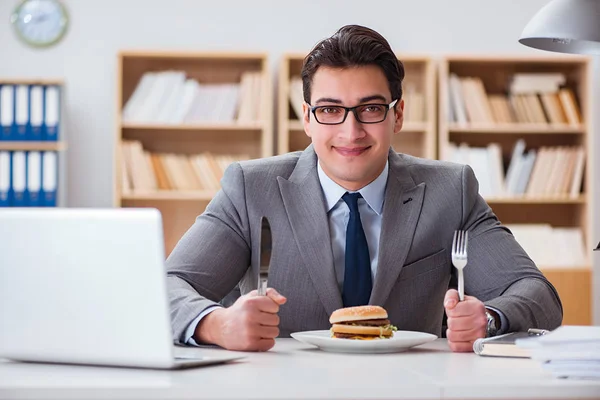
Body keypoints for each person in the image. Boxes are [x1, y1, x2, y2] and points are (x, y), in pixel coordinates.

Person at [165, 24, 562, 353]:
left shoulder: (450, 191)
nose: (350, 132)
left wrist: (490, 318)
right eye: (330, 110)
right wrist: (216, 324)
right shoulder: (252, 189)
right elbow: (166, 287)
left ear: (398, 114)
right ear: (307, 118)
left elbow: (537, 294)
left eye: (370, 109)